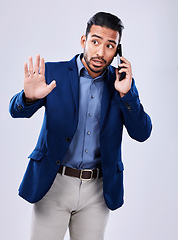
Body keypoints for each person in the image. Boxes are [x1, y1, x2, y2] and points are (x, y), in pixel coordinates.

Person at [9, 12, 152, 240]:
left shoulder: (122, 82)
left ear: (117, 51)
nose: (101, 52)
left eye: (110, 46)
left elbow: (142, 133)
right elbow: (15, 111)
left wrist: (126, 95)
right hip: (53, 183)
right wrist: (28, 97)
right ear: (84, 41)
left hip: (97, 191)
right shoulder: (54, 73)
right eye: (95, 42)